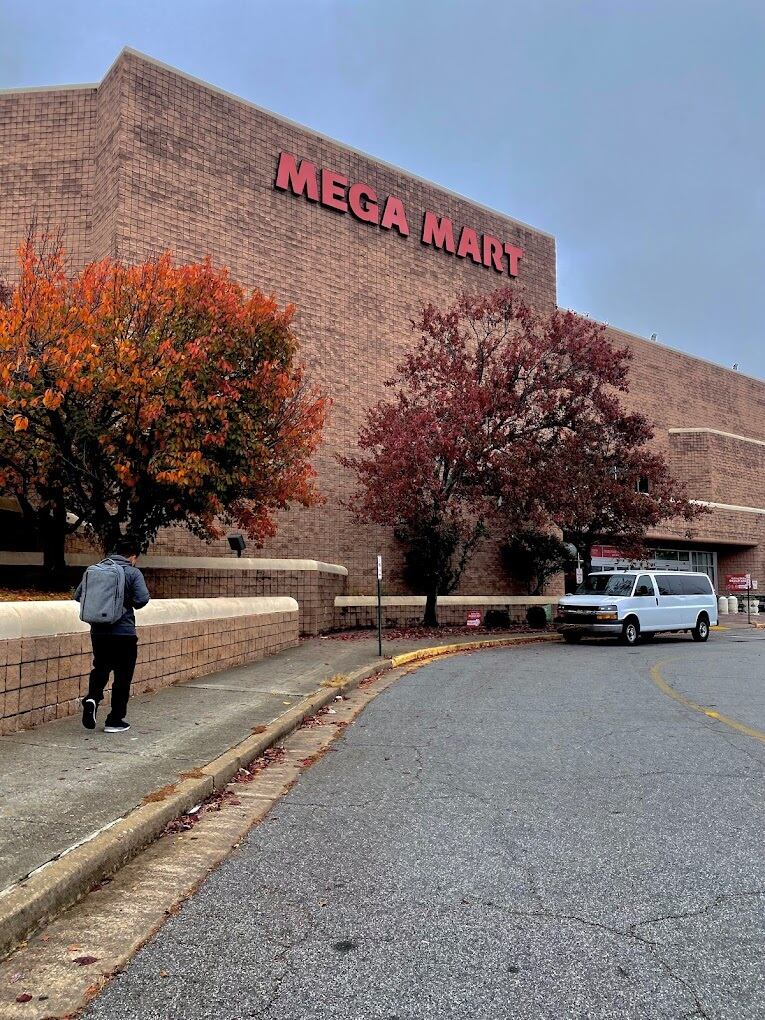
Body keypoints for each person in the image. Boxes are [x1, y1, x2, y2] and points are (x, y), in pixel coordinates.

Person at [75, 537, 150, 733]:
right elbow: (142, 599)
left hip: (99, 631)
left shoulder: (95, 570)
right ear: (133, 556)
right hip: (124, 633)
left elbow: (78, 596)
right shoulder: (133, 572)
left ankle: (92, 698)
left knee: (100, 667)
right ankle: (115, 720)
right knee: (122, 676)